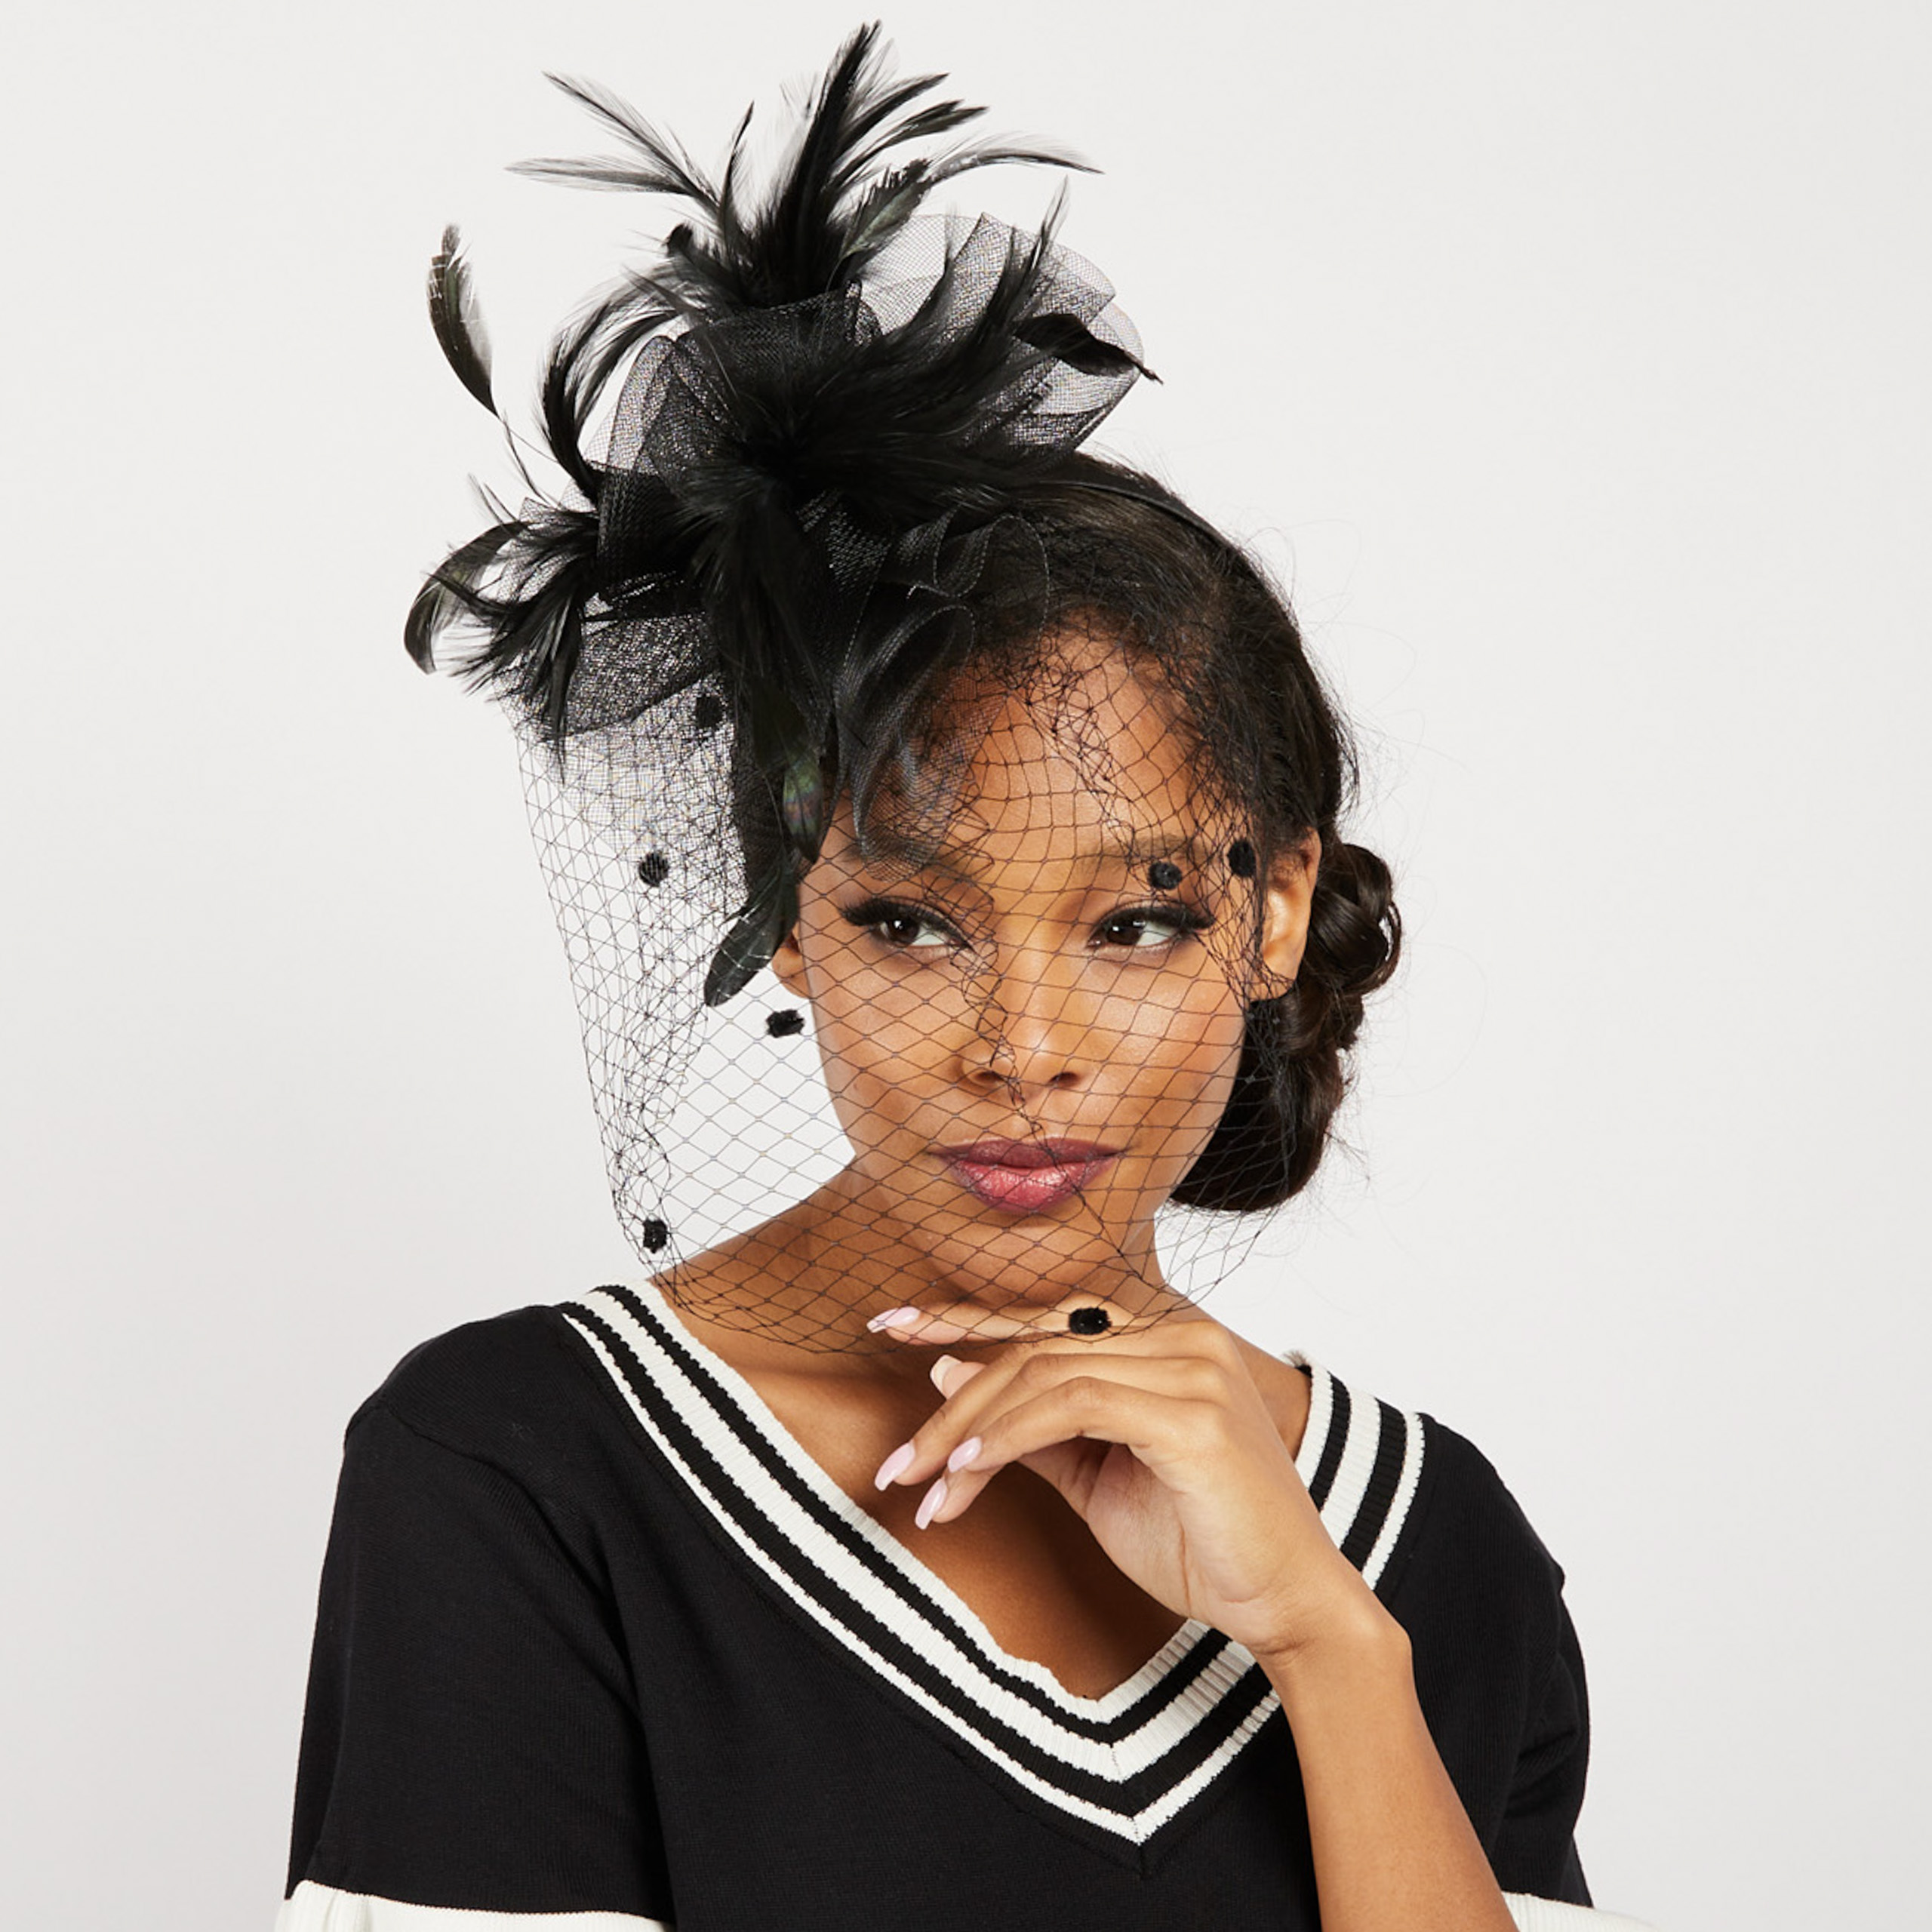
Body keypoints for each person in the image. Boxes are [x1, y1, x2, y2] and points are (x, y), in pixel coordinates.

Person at [278, 29, 1650, 1930]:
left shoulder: (1432, 1547)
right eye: (911, 922)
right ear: (785, 920)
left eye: (1135, 920)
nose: (1023, 1048)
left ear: (1273, 910)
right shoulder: (526, 1469)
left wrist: (1330, 1650)